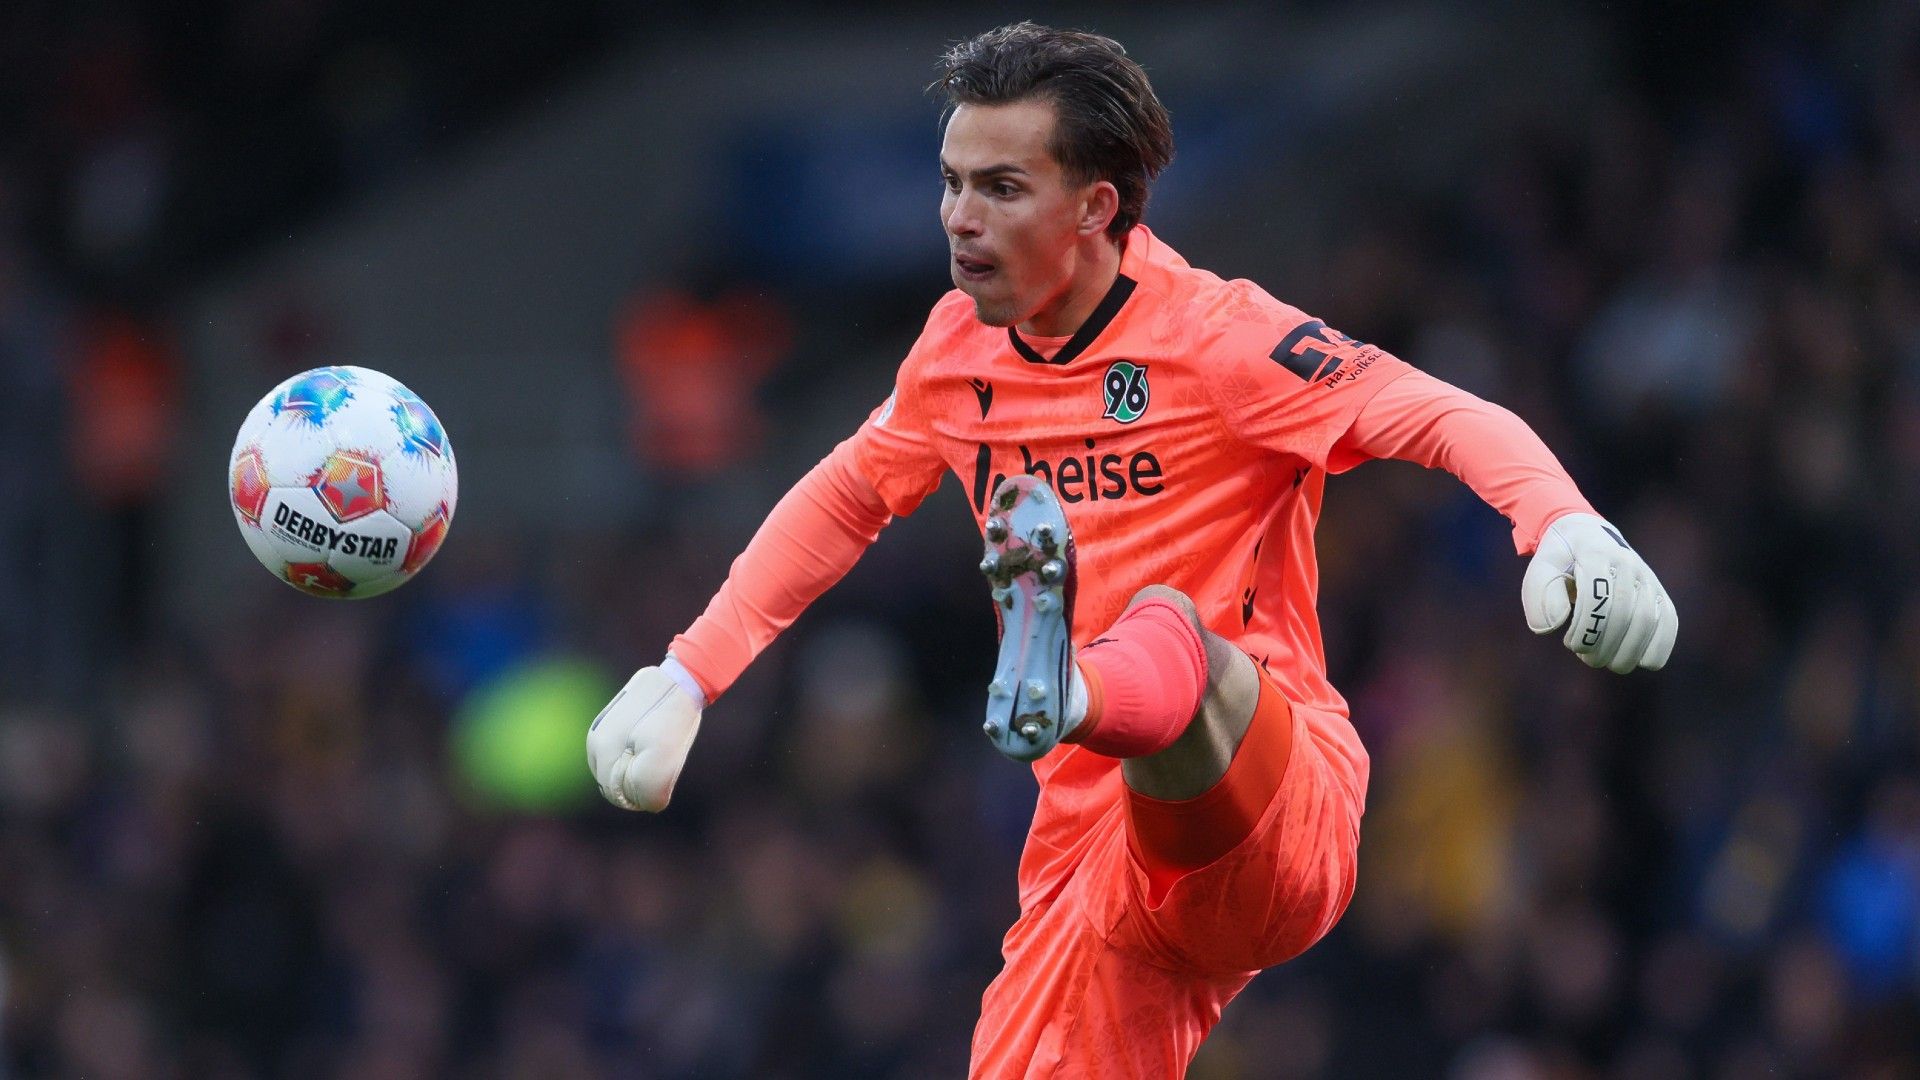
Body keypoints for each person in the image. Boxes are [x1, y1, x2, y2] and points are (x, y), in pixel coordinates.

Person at [586, 22, 1678, 1078]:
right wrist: (690, 670)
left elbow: (1437, 413)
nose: (959, 218)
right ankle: (1068, 694)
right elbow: (849, 495)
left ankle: (1075, 687)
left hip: (1271, 799)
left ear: (1094, 205)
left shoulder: (1220, 341)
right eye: (951, 181)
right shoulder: (953, 353)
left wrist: (1563, 522)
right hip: (1090, 870)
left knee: (1171, 627)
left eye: (1001, 188)